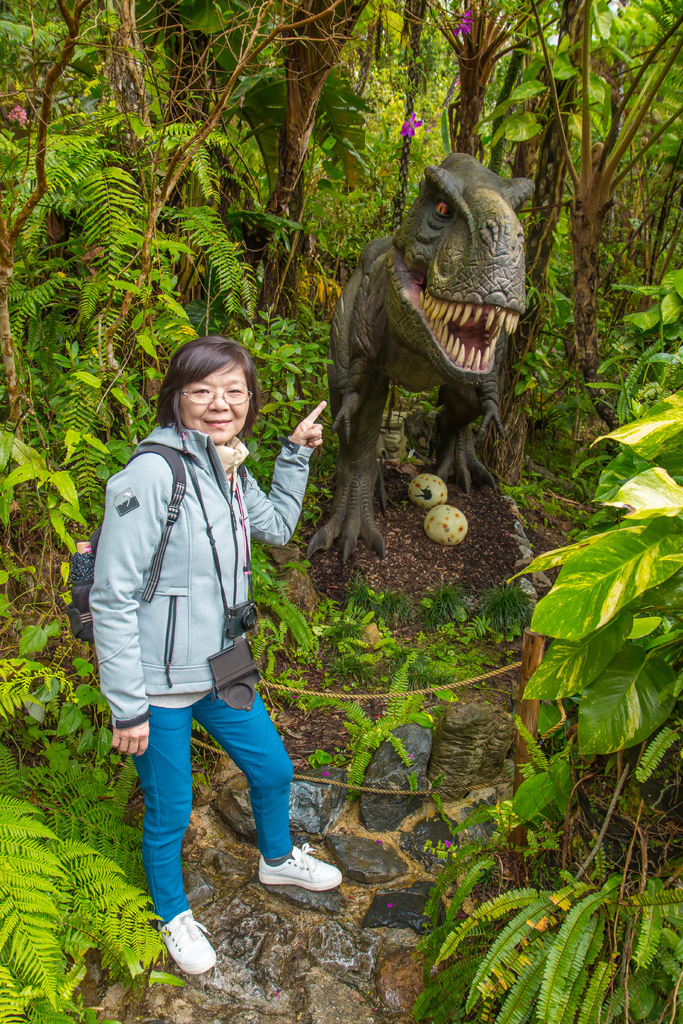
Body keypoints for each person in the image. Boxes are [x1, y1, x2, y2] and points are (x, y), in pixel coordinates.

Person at [90, 335, 342, 976]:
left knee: (275, 769)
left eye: (234, 391)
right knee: (171, 806)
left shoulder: (226, 465)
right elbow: (112, 598)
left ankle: (277, 859)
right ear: (176, 397)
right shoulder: (149, 476)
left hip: (221, 665)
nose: (219, 403)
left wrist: (293, 456)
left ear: (250, 400)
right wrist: (128, 707)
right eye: (202, 390)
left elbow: (277, 528)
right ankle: (173, 914)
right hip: (159, 684)